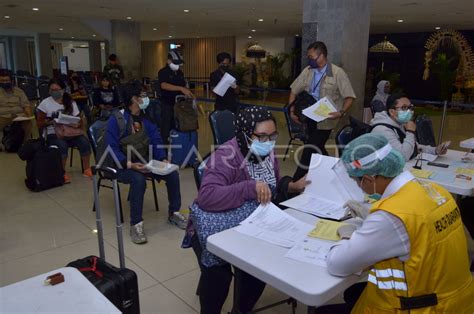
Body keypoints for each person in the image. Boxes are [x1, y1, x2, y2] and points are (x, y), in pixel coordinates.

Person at [317, 133, 474, 313]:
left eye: (357, 181)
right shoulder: (436, 191)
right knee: (354, 293)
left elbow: (338, 264)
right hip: (458, 301)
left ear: (368, 179)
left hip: (420, 308)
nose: (360, 188)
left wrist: (346, 237)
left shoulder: (390, 216)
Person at [189, 107, 310, 314]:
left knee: (257, 272)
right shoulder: (226, 155)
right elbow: (207, 196)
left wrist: (291, 186)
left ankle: (240, 310)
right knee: (219, 276)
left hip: (251, 223)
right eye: (262, 136)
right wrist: (249, 187)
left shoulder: (267, 153)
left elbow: (271, 185)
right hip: (217, 226)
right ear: (244, 134)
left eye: (273, 136)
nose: (269, 142)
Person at [104, 83, 186, 244]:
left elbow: (156, 140)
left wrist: (163, 159)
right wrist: (128, 164)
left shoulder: (145, 119)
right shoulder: (117, 120)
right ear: (134, 99)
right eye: (143, 95)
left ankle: (174, 213)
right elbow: (111, 148)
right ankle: (136, 224)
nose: (146, 98)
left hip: (143, 162)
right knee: (138, 179)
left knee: (172, 173)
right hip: (121, 165)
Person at [289, 41, 356, 180]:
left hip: (326, 119)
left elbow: (350, 96)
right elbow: (294, 90)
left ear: (322, 55)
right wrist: (291, 110)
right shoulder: (308, 71)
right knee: (317, 147)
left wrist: (341, 112)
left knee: (309, 149)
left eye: (312, 57)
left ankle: (292, 185)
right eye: (309, 57)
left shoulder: (337, 73)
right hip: (309, 116)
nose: (310, 60)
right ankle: (336, 173)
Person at [36, 79, 92, 183]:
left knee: (84, 141)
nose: (54, 91)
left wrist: (76, 123)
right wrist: (51, 122)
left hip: (70, 132)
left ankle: (87, 169)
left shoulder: (70, 102)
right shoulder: (45, 103)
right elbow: (39, 123)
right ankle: (61, 172)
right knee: (62, 145)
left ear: (62, 90)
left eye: (57, 89)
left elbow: (78, 120)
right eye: (52, 89)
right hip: (53, 133)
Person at [370, 93, 448, 161]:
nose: (409, 111)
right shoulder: (382, 129)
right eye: (404, 108)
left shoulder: (399, 123)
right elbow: (403, 156)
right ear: (392, 112)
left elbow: (414, 146)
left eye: (410, 107)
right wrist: (410, 132)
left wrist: (434, 150)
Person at [158, 49, 194, 144]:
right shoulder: (163, 72)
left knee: (178, 126)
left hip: (179, 105)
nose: (177, 65)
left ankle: (177, 149)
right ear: (168, 61)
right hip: (167, 104)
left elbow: (184, 86)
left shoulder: (180, 73)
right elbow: (164, 85)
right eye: (175, 63)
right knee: (166, 128)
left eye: (179, 63)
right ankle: (164, 153)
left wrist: (187, 91)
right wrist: (181, 88)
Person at [0, 69, 33, 149]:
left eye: (6, 80)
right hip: (2, 117)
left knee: (28, 121)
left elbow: (26, 105)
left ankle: (23, 144)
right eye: (2, 81)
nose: (4, 82)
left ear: (11, 81)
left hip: (18, 117)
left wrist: (29, 116)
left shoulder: (19, 92)